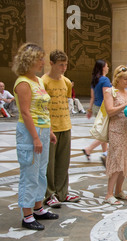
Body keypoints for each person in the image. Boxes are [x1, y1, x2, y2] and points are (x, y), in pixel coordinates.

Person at [12, 43, 58, 230]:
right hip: (30, 132)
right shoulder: (23, 83)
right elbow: (25, 113)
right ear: (29, 60)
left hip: (43, 129)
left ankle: (39, 208)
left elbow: (42, 109)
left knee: (41, 171)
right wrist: (36, 138)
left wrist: (49, 131)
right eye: (40, 59)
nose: (43, 62)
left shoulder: (37, 81)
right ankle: (27, 214)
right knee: (29, 172)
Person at [42, 50, 81, 208]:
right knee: (49, 163)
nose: (64, 68)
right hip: (50, 127)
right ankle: (49, 194)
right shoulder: (43, 81)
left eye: (65, 65)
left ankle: (62, 192)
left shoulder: (65, 82)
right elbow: (43, 107)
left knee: (63, 162)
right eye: (60, 65)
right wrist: (48, 128)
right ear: (51, 63)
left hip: (65, 125)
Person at [103, 66, 127, 205]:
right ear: (117, 78)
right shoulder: (110, 92)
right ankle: (109, 194)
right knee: (117, 161)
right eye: (125, 79)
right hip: (116, 130)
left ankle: (118, 190)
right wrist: (125, 105)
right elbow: (110, 111)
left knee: (125, 160)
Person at [83, 60, 111, 165]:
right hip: (103, 109)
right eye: (107, 66)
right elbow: (106, 96)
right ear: (103, 67)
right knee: (105, 133)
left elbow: (92, 97)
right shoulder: (105, 80)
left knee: (102, 131)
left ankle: (105, 154)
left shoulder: (95, 80)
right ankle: (89, 149)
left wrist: (90, 109)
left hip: (95, 107)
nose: (108, 67)